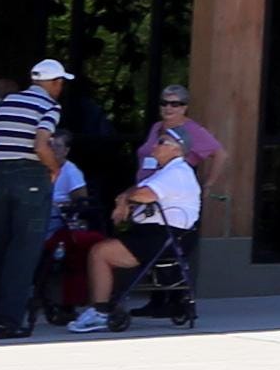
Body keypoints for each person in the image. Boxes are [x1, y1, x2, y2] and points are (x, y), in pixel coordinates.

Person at [65, 117, 202, 332]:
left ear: (177, 149)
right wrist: (125, 198)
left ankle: (100, 312)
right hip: (156, 234)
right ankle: (106, 304)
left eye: (162, 142)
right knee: (104, 248)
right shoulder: (166, 171)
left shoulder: (177, 172)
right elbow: (136, 189)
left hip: (163, 236)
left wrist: (124, 200)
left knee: (100, 253)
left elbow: (144, 194)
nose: (155, 145)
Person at [0, 60, 71, 339]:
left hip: (1, 177)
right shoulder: (49, 106)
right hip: (32, 178)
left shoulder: (6, 102)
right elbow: (41, 144)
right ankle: (9, 320)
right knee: (23, 251)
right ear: (54, 83)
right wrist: (54, 168)